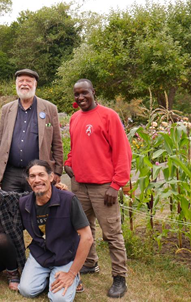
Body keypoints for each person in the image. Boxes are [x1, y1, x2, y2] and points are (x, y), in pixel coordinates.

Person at [64, 79, 132, 298]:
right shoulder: (74, 118)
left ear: (94, 92)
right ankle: (91, 263)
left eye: (85, 93)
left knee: (112, 234)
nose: (81, 97)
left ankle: (120, 278)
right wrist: (69, 162)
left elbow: (123, 151)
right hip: (79, 185)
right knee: (84, 229)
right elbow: (76, 147)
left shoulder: (109, 116)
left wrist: (116, 185)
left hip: (104, 187)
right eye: (77, 94)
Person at [18, 160, 93, 301]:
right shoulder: (24, 203)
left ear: (51, 177)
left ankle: (74, 277)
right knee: (26, 290)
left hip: (65, 255)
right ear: (28, 181)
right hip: (41, 254)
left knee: (60, 299)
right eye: (32, 176)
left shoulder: (68, 200)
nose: (37, 180)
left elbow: (87, 237)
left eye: (41, 175)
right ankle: (50, 276)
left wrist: (71, 273)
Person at [0, 69, 63, 192]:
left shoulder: (49, 108)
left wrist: (57, 171)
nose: (24, 84)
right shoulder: (7, 109)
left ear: (35, 84)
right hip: (11, 174)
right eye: (21, 81)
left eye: (29, 81)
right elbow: (0, 142)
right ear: (16, 84)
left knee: (37, 208)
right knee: (11, 208)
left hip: (38, 173)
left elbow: (57, 143)